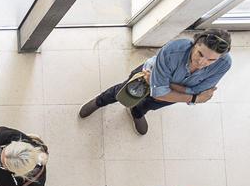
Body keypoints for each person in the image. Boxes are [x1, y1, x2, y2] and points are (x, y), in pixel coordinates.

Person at [80, 29, 233, 136]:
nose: (202, 62)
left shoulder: (224, 64)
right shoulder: (173, 50)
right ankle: (99, 101)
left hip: (166, 87)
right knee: (120, 92)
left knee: (151, 104)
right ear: (195, 44)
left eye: (211, 60)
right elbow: (192, 93)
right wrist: (194, 99)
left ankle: (137, 113)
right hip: (145, 78)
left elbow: (197, 90)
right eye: (200, 54)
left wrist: (165, 85)